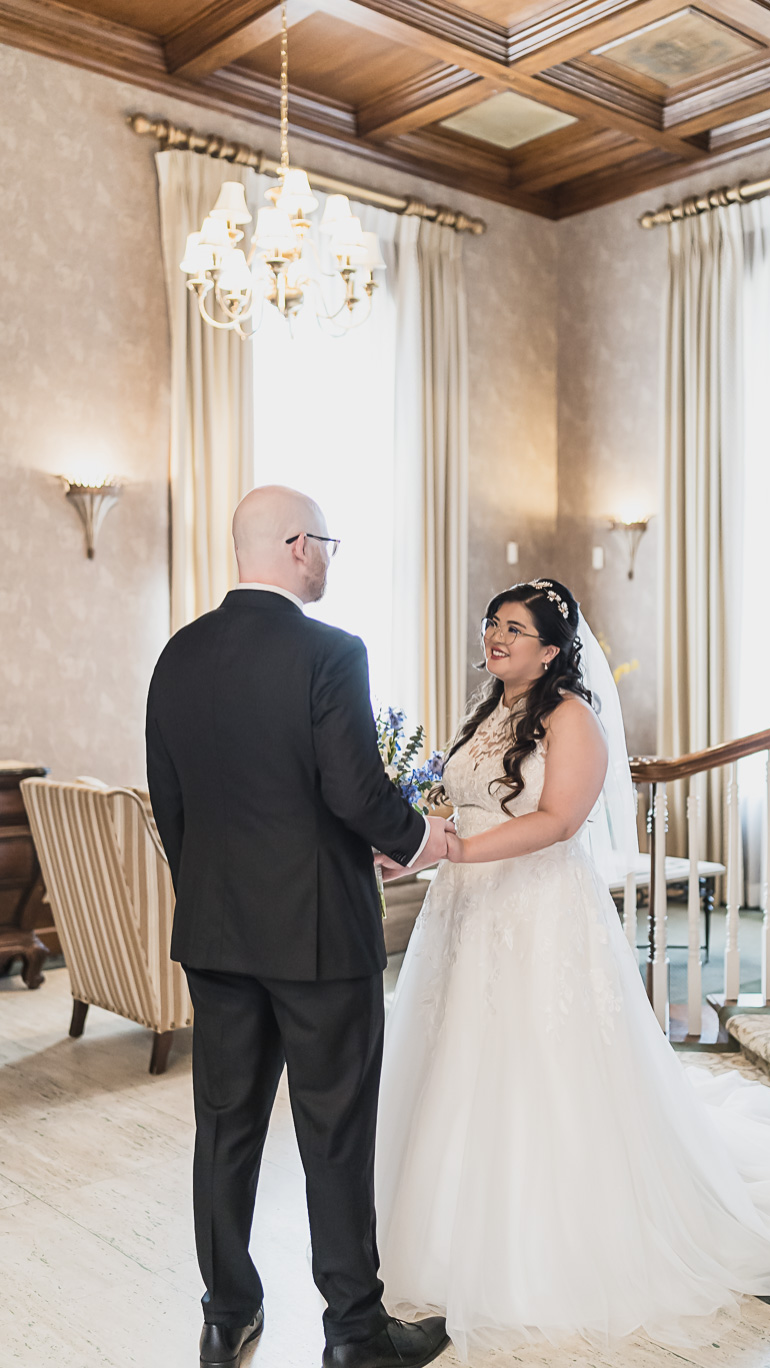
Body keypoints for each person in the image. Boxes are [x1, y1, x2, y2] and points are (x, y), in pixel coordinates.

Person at [374, 577, 770, 1361]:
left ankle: (544, 1243)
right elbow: (467, 807)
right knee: (461, 1058)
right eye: (493, 623)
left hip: (537, 914)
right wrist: (420, 845)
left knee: (540, 1067)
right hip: (466, 910)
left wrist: (456, 846)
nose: (495, 637)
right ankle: (442, 1222)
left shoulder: (574, 719)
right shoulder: (487, 710)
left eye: (515, 629)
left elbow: (558, 823)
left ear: (553, 650)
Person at [146, 485, 453, 1368]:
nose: (328, 557)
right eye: (325, 542)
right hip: (320, 939)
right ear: (293, 546)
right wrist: (422, 840)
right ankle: (354, 1333)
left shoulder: (179, 654)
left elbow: (172, 806)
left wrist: (217, 890)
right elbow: (355, 793)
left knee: (226, 1127)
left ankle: (225, 1314)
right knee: (335, 1132)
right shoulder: (330, 652)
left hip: (217, 934)